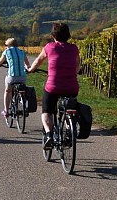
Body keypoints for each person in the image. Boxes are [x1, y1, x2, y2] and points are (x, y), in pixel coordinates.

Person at [27, 22, 80, 150]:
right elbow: (77, 66)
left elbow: (38, 61)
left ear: (53, 35)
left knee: (47, 111)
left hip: (53, 87)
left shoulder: (49, 47)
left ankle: (49, 135)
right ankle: (68, 134)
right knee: (68, 111)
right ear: (68, 35)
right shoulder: (74, 48)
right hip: (72, 87)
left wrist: (30, 70)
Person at [0, 38, 31, 118]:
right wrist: (27, 69)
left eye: (6, 45)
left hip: (12, 76)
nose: (5, 47)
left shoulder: (7, 52)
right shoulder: (22, 52)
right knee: (23, 90)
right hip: (22, 77)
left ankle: (6, 110)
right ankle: (24, 105)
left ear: (9, 45)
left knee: (8, 91)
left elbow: (0, 61)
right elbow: (27, 64)